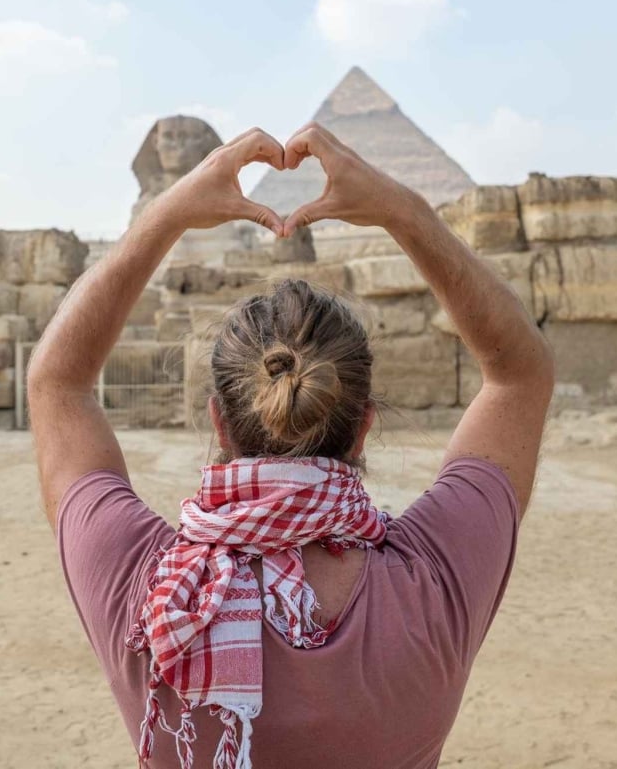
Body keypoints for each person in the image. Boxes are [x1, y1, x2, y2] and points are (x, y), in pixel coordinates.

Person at [27, 124, 554, 769]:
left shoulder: (152, 593)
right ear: (364, 425)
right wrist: (403, 211)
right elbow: (520, 374)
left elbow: (56, 382)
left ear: (219, 423)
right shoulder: (435, 580)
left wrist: (168, 214)